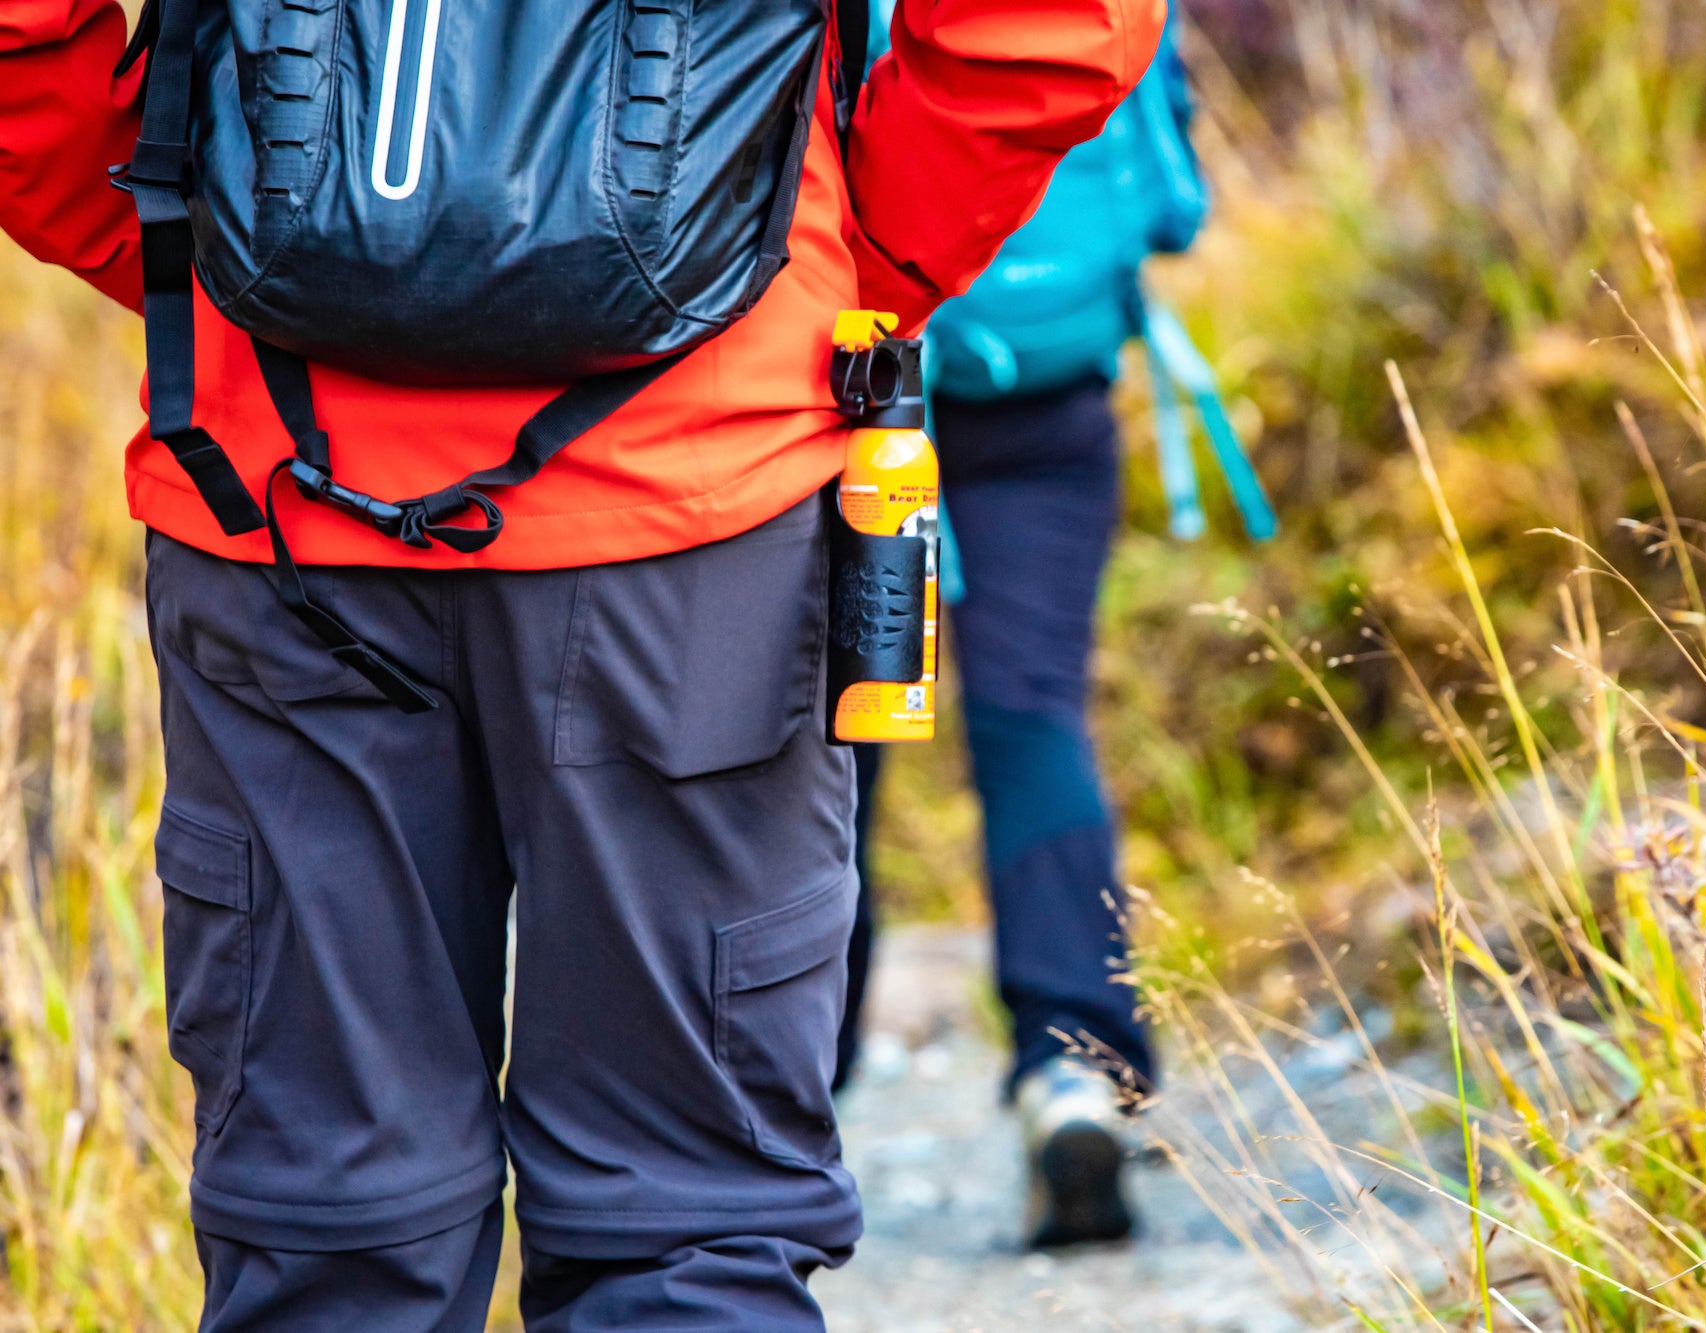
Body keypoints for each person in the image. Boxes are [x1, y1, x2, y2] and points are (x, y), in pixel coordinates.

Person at [0, 0, 1162, 1325]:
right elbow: (1049, 26)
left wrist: (211, 257)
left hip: (277, 498)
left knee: (324, 1226)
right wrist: (835, 261)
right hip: (694, 519)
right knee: (685, 1231)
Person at [835, 2, 1237, 1250]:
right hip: (1049, 388)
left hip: (854, 388)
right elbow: (1172, 203)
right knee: (1028, 714)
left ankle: (772, 1090)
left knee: (829, 729)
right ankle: (1074, 1068)